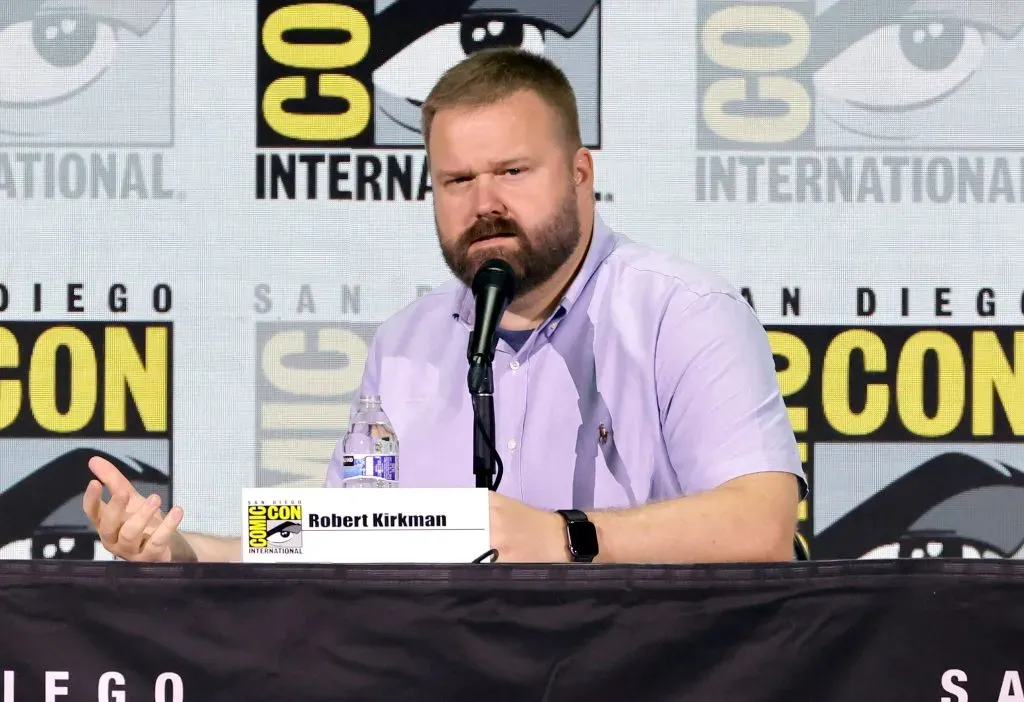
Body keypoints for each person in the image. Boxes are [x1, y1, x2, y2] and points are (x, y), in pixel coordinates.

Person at [83, 48, 807, 564]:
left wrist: (565, 537)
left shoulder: (684, 313)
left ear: (581, 174)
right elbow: (344, 537)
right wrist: (182, 550)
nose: (484, 204)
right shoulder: (407, 342)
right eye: (457, 180)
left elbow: (763, 525)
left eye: (512, 172)